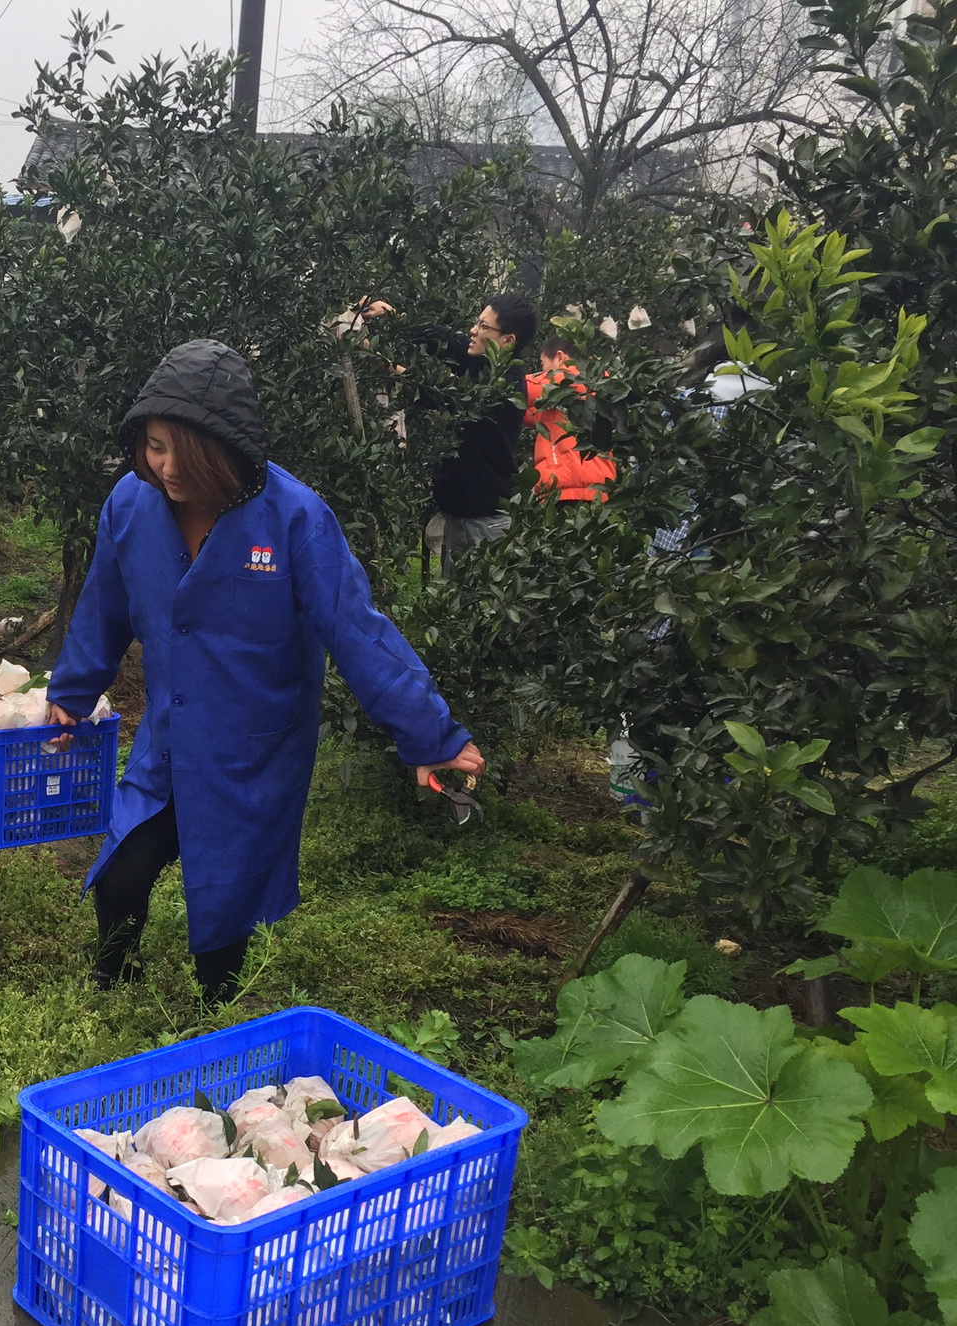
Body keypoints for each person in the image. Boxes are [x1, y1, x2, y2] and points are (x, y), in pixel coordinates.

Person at [44, 339, 485, 1000]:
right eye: (153, 445)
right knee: (121, 869)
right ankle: (114, 979)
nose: (163, 466)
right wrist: (71, 695)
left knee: (227, 890)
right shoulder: (129, 508)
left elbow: (357, 629)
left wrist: (433, 737)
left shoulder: (293, 518)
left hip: (255, 744)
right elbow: (103, 609)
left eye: (180, 451)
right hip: (169, 733)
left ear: (224, 451)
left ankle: (210, 1014)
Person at [359, 293, 538, 568]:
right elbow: (447, 343)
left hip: (485, 525)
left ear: (508, 340)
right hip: (463, 517)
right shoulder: (487, 364)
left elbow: (447, 398)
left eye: (484, 327)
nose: (474, 331)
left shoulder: (504, 386)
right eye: (477, 322)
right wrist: (396, 317)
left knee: (476, 606)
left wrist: (389, 367)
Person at [526, 335, 617, 504]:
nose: (542, 370)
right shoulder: (557, 404)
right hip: (589, 491)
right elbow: (529, 411)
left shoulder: (580, 380)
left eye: (543, 364)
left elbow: (526, 387)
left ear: (560, 357)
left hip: (570, 489)